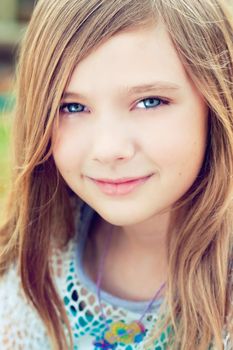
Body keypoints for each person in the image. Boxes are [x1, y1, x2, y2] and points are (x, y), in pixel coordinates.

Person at [0, 0, 233, 349]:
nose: (108, 149)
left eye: (150, 101)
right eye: (73, 107)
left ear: (218, 100)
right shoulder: (35, 265)